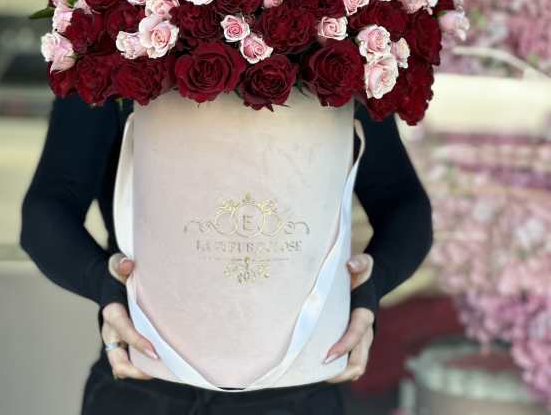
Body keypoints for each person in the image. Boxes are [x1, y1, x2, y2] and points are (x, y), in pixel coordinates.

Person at [21, 92, 433, 414]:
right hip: (145, 383)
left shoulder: (336, 53)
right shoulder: (119, 44)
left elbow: (403, 204)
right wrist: (104, 284)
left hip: (298, 390)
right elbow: (47, 208)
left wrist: (368, 288)